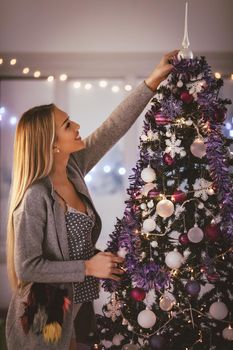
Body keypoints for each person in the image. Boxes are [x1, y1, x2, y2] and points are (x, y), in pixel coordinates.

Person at [5, 49, 179, 350]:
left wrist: (153, 81)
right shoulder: (35, 196)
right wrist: (88, 267)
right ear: (52, 144)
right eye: (67, 125)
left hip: (80, 304)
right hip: (46, 312)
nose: (77, 127)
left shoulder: (72, 169)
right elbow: (28, 268)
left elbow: (112, 128)